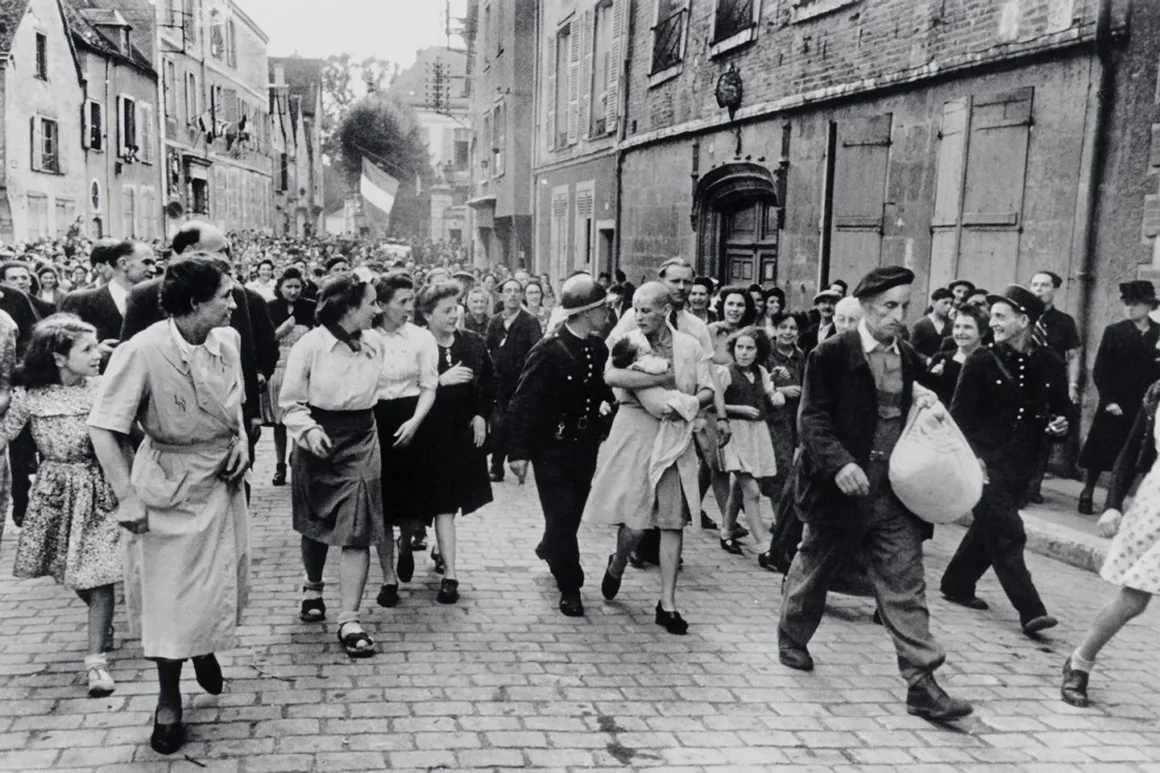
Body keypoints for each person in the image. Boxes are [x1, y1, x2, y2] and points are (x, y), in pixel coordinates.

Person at [778, 266, 972, 721]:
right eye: (890, 307)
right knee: (814, 569)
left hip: (893, 494)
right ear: (866, 308)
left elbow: (914, 404)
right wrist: (840, 463)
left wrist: (927, 406)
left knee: (906, 584)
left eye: (905, 306)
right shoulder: (830, 354)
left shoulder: (908, 356)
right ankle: (791, 636)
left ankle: (923, 683)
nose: (899, 316)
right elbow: (812, 420)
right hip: (839, 490)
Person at [88, 256, 251, 756]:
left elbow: (235, 404)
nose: (233, 301)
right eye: (224, 294)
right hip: (167, 486)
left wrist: (241, 438)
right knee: (168, 599)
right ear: (195, 303)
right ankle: (167, 702)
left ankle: (202, 647)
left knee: (218, 580)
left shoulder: (229, 341)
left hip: (220, 482)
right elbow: (103, 427)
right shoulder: (141, 350)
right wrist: (126, 495)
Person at [586, 282, 727, 634]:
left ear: (666, 311)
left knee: (671, 519)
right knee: (634, 523)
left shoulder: (689, 345)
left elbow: (709, 387)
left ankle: (667, 603)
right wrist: (665, 378)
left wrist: (692, 403)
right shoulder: (630, 340)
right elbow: (611, 374)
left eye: (646, 309)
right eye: (635, 308)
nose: (639, 315)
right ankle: (617, 562)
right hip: (636, 433)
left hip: (675, 438)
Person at [941, 285, 1071, 636]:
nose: (993, 322)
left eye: (1001, 316)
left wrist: (1060, 425)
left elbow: (1062, 411)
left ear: (1024, 320)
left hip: (1022, 467)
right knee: (1010, 532)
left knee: (991, 529)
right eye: (993, 316)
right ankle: (1031, 610)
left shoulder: (1050, 362)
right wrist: (973, 459)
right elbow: (958, 419)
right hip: (984, 464)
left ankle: (956, 583)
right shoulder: (982, 360)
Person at [2, 315, 117, 697]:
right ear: (58, 357)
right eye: (86, 349)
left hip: (100, 487)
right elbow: (5, 434)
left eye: (95, 345)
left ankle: (96, 663)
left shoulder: (104, 387)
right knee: (68, 569)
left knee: (99, 577)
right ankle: (102, 622)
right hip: (54, 491)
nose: (97, 353)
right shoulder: (30, 395)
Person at [120, 222, 278, 491]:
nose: (226, 258)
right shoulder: (144, 296)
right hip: (167, 437)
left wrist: (250, 416)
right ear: (192, 250)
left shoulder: (233, 295)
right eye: (220, 251)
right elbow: (126, 370)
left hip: (222, 430)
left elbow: (244, 358)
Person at [279, 273, 384, 656]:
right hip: (318, 438)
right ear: (348, 307)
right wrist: (307, 431)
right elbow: (289, 401)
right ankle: (312, 585)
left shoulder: (374, 343)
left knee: (358, 525)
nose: (379, 309)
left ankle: (349, 619)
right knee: (316, 521)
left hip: (361, 438)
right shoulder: (310, 346)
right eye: (372, 302)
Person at [507, 275, 614, 616]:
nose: (606, 314)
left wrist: (608, 411)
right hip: (550, 448)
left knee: (571, 513)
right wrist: (518, 453)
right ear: (584, 312)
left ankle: (550, 545)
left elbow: (599, 389)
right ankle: (570, 584)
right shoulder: (548, 349)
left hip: (584, 445)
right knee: (563, 512)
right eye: (601, 308)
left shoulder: (597, 348)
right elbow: (523, 402)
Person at [1061, 378, 1160, 707]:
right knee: (1134, 599)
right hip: (1156, 508)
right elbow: (1130, 453)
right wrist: (1113, 504)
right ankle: (1080, 661)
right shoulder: (1155, 397)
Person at [418, 282, 495, 603]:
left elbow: (489, 382)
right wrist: (439, 382)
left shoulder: (473, 344)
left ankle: (450, 574)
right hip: (423, 437)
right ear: (427, 315)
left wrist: (481, 415)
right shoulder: (416, 345)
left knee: (446, 506)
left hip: (458, 438)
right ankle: (411, 542)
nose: (454, 315)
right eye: (446, 310)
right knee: (422, 506)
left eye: (456, 309)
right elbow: (402, 389)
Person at [370, 272, 438, 605]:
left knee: (411, 503)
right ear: (381, 304)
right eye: (402, 302)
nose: (410, 308)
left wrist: (415, 422)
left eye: (412, 300)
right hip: (376, 421)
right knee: (381, 504)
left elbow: (429, 386)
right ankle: (387, 579)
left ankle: (407, 542)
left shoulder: (422, 339)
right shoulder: (366, 338)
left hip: (413, 419)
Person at [1076, 281, 1160, 515]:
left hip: (1143, 405)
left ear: (1149, 305)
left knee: (1133, 455)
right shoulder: (1115, 331)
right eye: (1126, 304)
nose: (1129, 308)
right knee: (1100, 450)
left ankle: (1114, 503)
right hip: (1116, 402)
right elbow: (1101, 369)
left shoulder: (1158, 333)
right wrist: (1109, 400)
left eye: (1135, 304)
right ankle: (1088, 490)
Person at [718, 326, 784, 555]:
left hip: (755, 435)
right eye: (739, 347)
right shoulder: (725, 373)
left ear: (759, 351)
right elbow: (711, 404)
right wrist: (739, 409)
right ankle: (763, 545)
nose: (744, 353)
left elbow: (768, 392)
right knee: (752, 491)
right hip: (733, 435)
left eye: (749, 348)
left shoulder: (762, 372)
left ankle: (726, 531)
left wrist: (775, 396)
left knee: (740, 485)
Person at [1024, 270, 1081, 505]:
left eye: (1044, 285)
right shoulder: (1022, 316)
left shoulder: (1064, 322)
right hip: (1022, 382)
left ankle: (1033, 487)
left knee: (1044, 436)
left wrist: (1072, 385)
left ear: (1055, 289)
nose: (1038, 289)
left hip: (1050, 386)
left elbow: (1074, 355)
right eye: (1035, 284)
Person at [60, 239, 154, 367]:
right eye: (146, 262)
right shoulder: (79, 301)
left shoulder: (156, 303)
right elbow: (59, 351)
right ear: (123, 263)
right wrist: (93, 353)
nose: (153, 269)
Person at [485, 279, 542, 482]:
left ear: (522, 296)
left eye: (516, 291)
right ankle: (496, 465)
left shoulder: (530, 322)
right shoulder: (495, 322)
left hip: (521, 383)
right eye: (508, 291)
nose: (512, 295)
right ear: (501, 295)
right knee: (499, 423)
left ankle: (518, 461)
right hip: (499, 382)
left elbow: (537, 350)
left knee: (517, 422)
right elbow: (487, 348)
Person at [264, 268, 316, 486]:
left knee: (302, 416)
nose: (293, 291)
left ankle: (298, 461)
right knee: (280, 420)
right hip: (279, 366)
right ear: (280, 287)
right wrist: (281, 330)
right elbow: (265, 341)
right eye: (289, 286)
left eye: (297, 287)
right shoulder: (270, 308)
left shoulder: (310, 307)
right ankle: (279, 465)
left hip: (304, 368)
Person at [924, 304, 989, 406]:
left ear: (982, 332)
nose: (960, 332)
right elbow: (925, 394)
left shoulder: (990, 361)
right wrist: (934, 378)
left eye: (967, 327)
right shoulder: (940, 358)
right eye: (957, 326)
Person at [910, 288, 954, 360]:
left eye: (951, 304)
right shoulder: (920, 325)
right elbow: (912, 351)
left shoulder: (952, 324)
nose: (949, 307)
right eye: (945, 303)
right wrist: (927, 360)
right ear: (934, 303)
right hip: (924, 368)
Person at [798, 289, 840, 354]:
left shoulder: (839, 331)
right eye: (824, 302)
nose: (827, 306)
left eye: (832, 303)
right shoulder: (808, 332)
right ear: (817, 306)